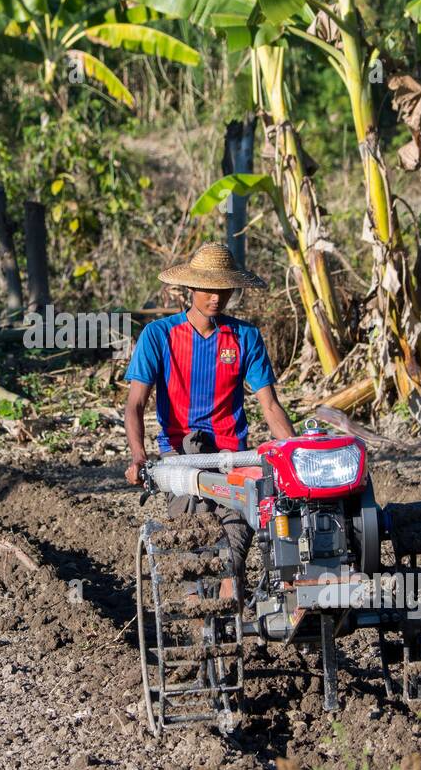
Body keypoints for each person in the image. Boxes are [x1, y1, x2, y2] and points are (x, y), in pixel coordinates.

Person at [124, 241, 296, 594]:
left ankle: (236, 626)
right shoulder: (160, 335)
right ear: (189, 288)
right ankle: (202, 631)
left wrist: (294, 452)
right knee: (192, 552)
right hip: (182, 459)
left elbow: (270, 405)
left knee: (234, 547)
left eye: (223, 289)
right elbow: (135, 404)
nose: (216, 297)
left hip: (233, 456)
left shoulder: (245, 337)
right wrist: (138, 456)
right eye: (208, 289)